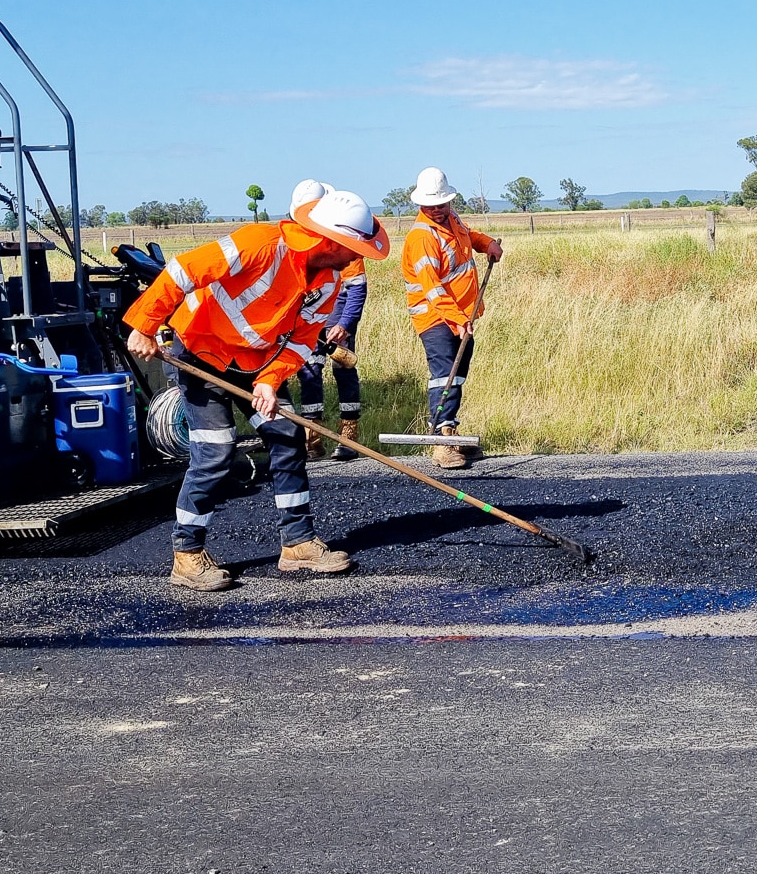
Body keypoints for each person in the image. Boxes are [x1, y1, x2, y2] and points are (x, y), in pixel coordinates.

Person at [123, 187, 389, 590]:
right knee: (215, 450)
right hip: (200, 351)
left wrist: (270, 380)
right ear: (328, 241)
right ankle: (187, 554)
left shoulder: (329, 281)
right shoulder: (260, 243)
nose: (357, 256)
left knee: (286, 435)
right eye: (353, 247)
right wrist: (144, 325)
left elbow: (301, 340)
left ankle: (297, 544)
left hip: (255, 363)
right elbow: (183, 271)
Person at [401, 166, 503, 470]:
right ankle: (442, 441)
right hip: (435, 317)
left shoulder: (452, 219)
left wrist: (487, 244)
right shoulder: (422, 237)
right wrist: (456, 319)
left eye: (441, 203)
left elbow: (468, 236)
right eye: (431, 205)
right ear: (421, 204)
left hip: (462, 315)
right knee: (445, 374)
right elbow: (433, 288)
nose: (437, 209)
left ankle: (451, 432)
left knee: (456, 375)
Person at [283, 180, 371, 460]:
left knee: (344, 370)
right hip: (308, 323)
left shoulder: (343, 241)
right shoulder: (296, 242)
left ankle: (349, 440)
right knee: (309, 374)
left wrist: (344, 326)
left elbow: (357, 288)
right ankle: (313, 440)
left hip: (337, 323)